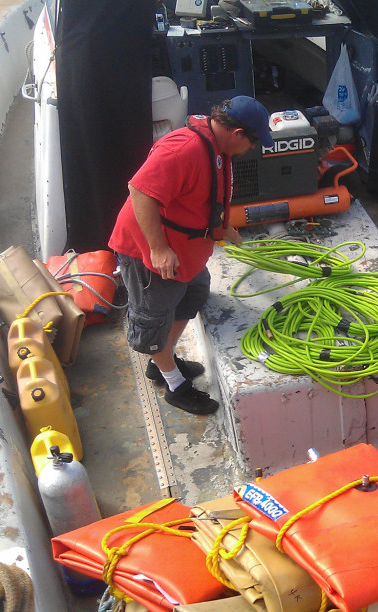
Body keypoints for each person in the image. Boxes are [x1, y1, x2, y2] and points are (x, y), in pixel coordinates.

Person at [108, 96, 275, 415]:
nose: (251, 150)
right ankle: (175, 384)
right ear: (237, 133)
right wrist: (158, 249)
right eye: (252, 142)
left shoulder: (217, 150)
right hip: (152, 253)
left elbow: (202, 197)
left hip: (187, 252)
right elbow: (140, 191)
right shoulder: (184, 148)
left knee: (195, 291)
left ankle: (165, 359)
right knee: (152, 319)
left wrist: (224, 229)